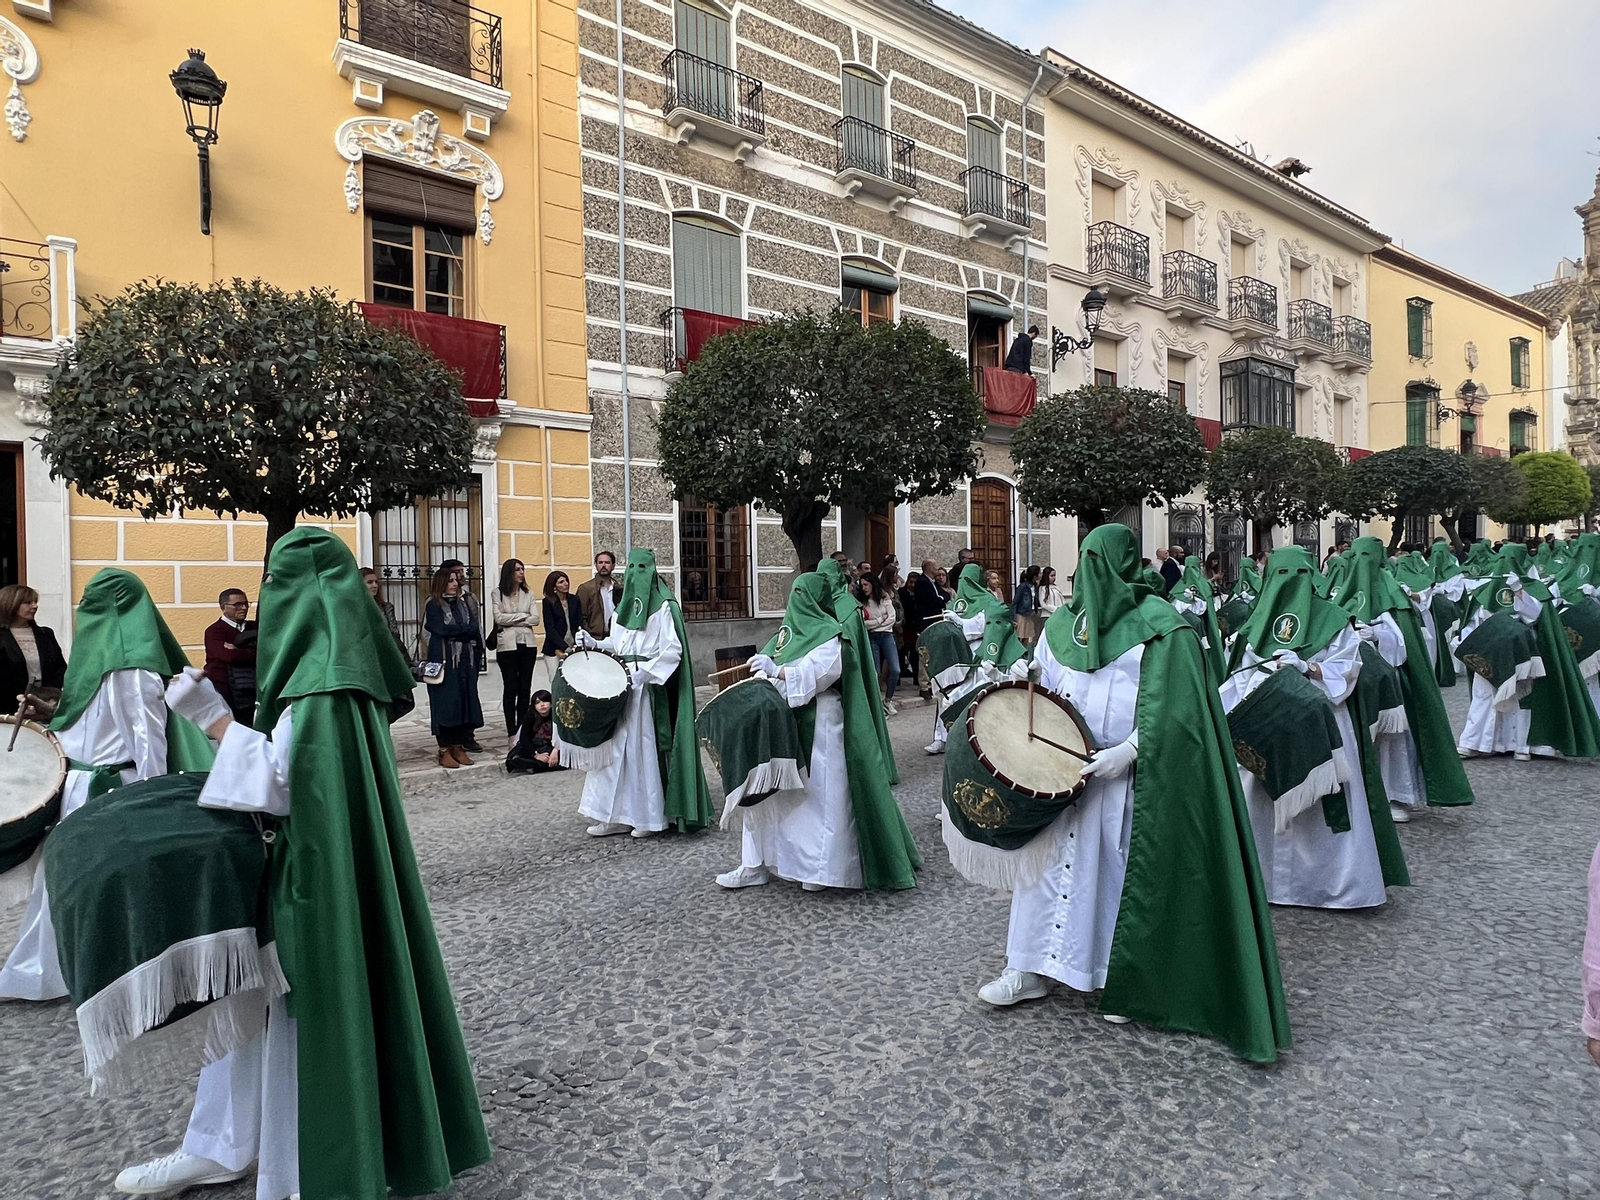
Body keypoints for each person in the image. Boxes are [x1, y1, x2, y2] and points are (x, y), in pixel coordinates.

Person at [115, 526, 490, 1200]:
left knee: (289, 1021)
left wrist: (212, 720)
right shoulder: (341, 679)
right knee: (250, 1017)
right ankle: (220, 1146)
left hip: (310, 887)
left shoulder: (322, 688)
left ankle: (302, 1167)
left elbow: (280, 785)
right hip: (304, 874)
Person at [973, 524, 1290, 1062]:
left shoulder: (1164, 629)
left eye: (1100, 564)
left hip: (1127, 781)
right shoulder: (1060, 629)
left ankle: (1121, 979)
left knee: (1117, 878)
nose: (1089, 576)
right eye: (1085, 562)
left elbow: (1184, 708)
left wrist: (1135, 749)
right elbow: (1047, 687)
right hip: (1060, 773)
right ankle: (1028, 967)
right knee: (1043, 871)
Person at [0, 569, 212, 1001]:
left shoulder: (92, 660)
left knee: (64, 884)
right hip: (118, 787)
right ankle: (112, 972)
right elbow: (146, 742)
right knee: (114, 883)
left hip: (85, 786)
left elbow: (88, 729)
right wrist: (157, 799)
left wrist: (48, 714)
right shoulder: (135, 670)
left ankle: (41, 973)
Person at [1223, 547, 1407, 910]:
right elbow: (1236, 677)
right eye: (1280, 575)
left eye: (1297, 574)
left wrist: (1309, 669)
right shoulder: (1254, 620)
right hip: (1268, 720)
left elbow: (1349, 669)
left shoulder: (1334, 619)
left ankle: (1328, 886)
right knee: (1260, 797)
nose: (1289, 582)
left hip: (1322, 716)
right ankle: (1262, 881)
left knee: (1326, 804)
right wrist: (1262, 678)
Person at [716, 572, 920, 893]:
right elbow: (768, 668)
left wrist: (780, 671)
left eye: (802, 592)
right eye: (793, 592)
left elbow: (822, 674)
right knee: (762, 793)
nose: (795, 599)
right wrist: (760, 678)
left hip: (821, 724)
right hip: (781, 725)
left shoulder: (830, 634)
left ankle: (817, 869)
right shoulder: (784, 634)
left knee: (818, 799)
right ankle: (755, 864)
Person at [570, 548, 712, 838]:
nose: (637, 573)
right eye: (631, 567)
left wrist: (645, 674)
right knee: (611, 752)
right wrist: (595, 643)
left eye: (642, 567)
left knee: (638, 753)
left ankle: (646, 817)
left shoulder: (664, 607)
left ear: (653, 570)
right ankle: (613, 814)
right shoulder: (624, 608)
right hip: (618, 688)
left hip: (646, 692)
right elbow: (618, 644)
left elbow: (673, 651)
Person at [1456, 542, 1600, 761]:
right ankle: (1478, 742)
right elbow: (1475, 617)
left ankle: (1523, 744)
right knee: (1484, 694)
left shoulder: (1534, 587)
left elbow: (1537, 615)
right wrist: (1464, 638)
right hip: (1490, 647)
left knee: (1524, 696)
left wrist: (1519, 591)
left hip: (1524, 648)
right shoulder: (1486, 588)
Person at [924, 563, 1023, 756]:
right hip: (956, 656)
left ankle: (976, 737)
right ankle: (940, 737)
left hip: (979, 654)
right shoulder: (955, 603)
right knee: (945, 696)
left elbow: (985, 627)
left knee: (973, 694)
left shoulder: (989, 602)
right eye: (962, 580)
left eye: (968, 580)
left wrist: (959, 623)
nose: (964, 584)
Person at [423, 565, 484, 769]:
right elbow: (439, 629)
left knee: (463, 702)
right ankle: (444, 749)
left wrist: (457, 631)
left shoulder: (463, 603)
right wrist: (460, 631)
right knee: (445, 705)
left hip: (465, 661)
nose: (455, 583)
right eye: (450, 580)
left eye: (456, 580)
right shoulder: (433, 605)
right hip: (444, 662)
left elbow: (473, 628)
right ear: (441, 582)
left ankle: (458, 746)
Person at [489, 558, 540, 735]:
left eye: (522, 569)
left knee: (525, 688)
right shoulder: (498, 593)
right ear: (509, 572)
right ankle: (511, 729)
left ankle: (522, 727)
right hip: (507, 647)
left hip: (528, 644)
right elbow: (499, 619)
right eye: (517, 569)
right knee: (511, 688)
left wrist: (512, 617)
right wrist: (523, 616)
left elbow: (535, 619)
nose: (521, 573)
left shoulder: (528, 593)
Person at [0, 583, 66, 718]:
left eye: (35, 602)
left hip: (44, 708)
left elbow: (60, 668)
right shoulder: (2, 637)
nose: (35, 606)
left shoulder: (45, 634)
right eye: (28, 602)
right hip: (8, 709)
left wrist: (47, 698)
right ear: (11, 604)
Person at [203, 588, 258, 727]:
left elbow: (268, 652)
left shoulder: (255, 628)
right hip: (224, 689)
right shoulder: (214, 631)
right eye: (237, 604)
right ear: (223, 607)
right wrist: (252, 652)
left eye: (246, 603)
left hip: (251, 687)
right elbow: (229, 656)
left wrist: (239, 650)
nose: (244, 608)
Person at [858, 572, 900, 714]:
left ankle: (888, 701)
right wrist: (880, 621)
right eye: (862, 585)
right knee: (874, 672)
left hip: (887, 635)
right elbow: (864, 624)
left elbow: (892, 618)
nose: (864, 588)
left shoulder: (884, 597)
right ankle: (877, 704)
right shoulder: (862, 602)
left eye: (866, 584)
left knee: (895, 669)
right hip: (872, 637)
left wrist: (877, 623)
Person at [360, 568, 415, 671]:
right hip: (365, 657)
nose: (374, 585)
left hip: (386, 655)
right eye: (369, 582)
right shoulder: (356, 608)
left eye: (376, 582)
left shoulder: (386, 607)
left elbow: (394, 634)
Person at [540, 569, 585, 683]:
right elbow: (550, 629)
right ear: (554, 586)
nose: (566, 584)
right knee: (556, 681)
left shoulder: (575, 599)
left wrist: (577, 643)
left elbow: (579, 622)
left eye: (566, 580)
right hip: (554, 649)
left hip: (573, 646)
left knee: (574, 680)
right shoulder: (548, 602)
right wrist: (565, 648)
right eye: (561, 582)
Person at [506, 690, 564, 774]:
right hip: (534, 746)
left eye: (545, 701)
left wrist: (555, 750)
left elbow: (564, 735)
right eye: (538, 702)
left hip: (552, 746)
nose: (542, 704)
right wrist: (536, 754)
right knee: (514, 757)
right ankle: (539, 764)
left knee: (563, 760)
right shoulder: (530, 715)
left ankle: (538, 765)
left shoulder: (557, 715)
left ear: (551, 703)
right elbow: (524, 737)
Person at [576, 550, 622, 640]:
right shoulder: (586, 588)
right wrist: (589, 634)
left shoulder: (619, 589)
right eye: (600, 562)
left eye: (607, 562)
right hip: (595, 638)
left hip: (616, 637)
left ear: (613, 566)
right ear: (596, 565)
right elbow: (580, 616)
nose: (603, 565)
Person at [1012, 565, 1040, 644]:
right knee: (1020, 636)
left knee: (1028, 636)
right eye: (1039, 573)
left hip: (1030, 614)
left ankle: (1025, 654)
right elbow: (1015, 602)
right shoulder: (1023, 586)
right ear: (1035, 576)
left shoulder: (1035, 586)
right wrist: (1013, 618)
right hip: (1021, 614)